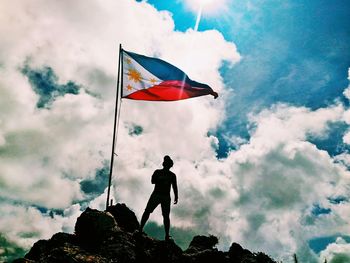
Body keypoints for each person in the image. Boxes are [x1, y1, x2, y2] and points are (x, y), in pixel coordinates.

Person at [139, 155, 178, 240]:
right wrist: (160, 179)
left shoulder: (171, 175)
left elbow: (175, 186)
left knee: (165, 216)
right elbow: (153, 181)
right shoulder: (158, 172)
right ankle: (140, 229)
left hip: (164, 196)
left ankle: (167, 235)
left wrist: (176, 196)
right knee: (148, 211)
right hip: (157, 194)